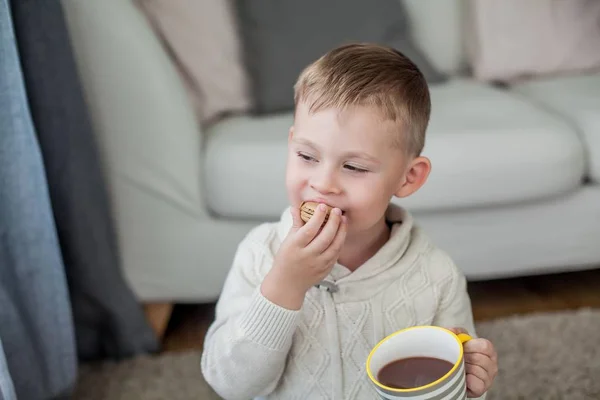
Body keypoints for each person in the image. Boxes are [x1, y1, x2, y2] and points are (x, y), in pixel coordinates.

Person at [201, 43, 498, 400]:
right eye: (307, 156)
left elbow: (442, 388)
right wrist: (284, 286)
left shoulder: (436, 276)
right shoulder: (259, 255)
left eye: (353, 167)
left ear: (408, 178)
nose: (323, 184)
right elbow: (229, 383)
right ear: (291, 144)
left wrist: (470, 386)